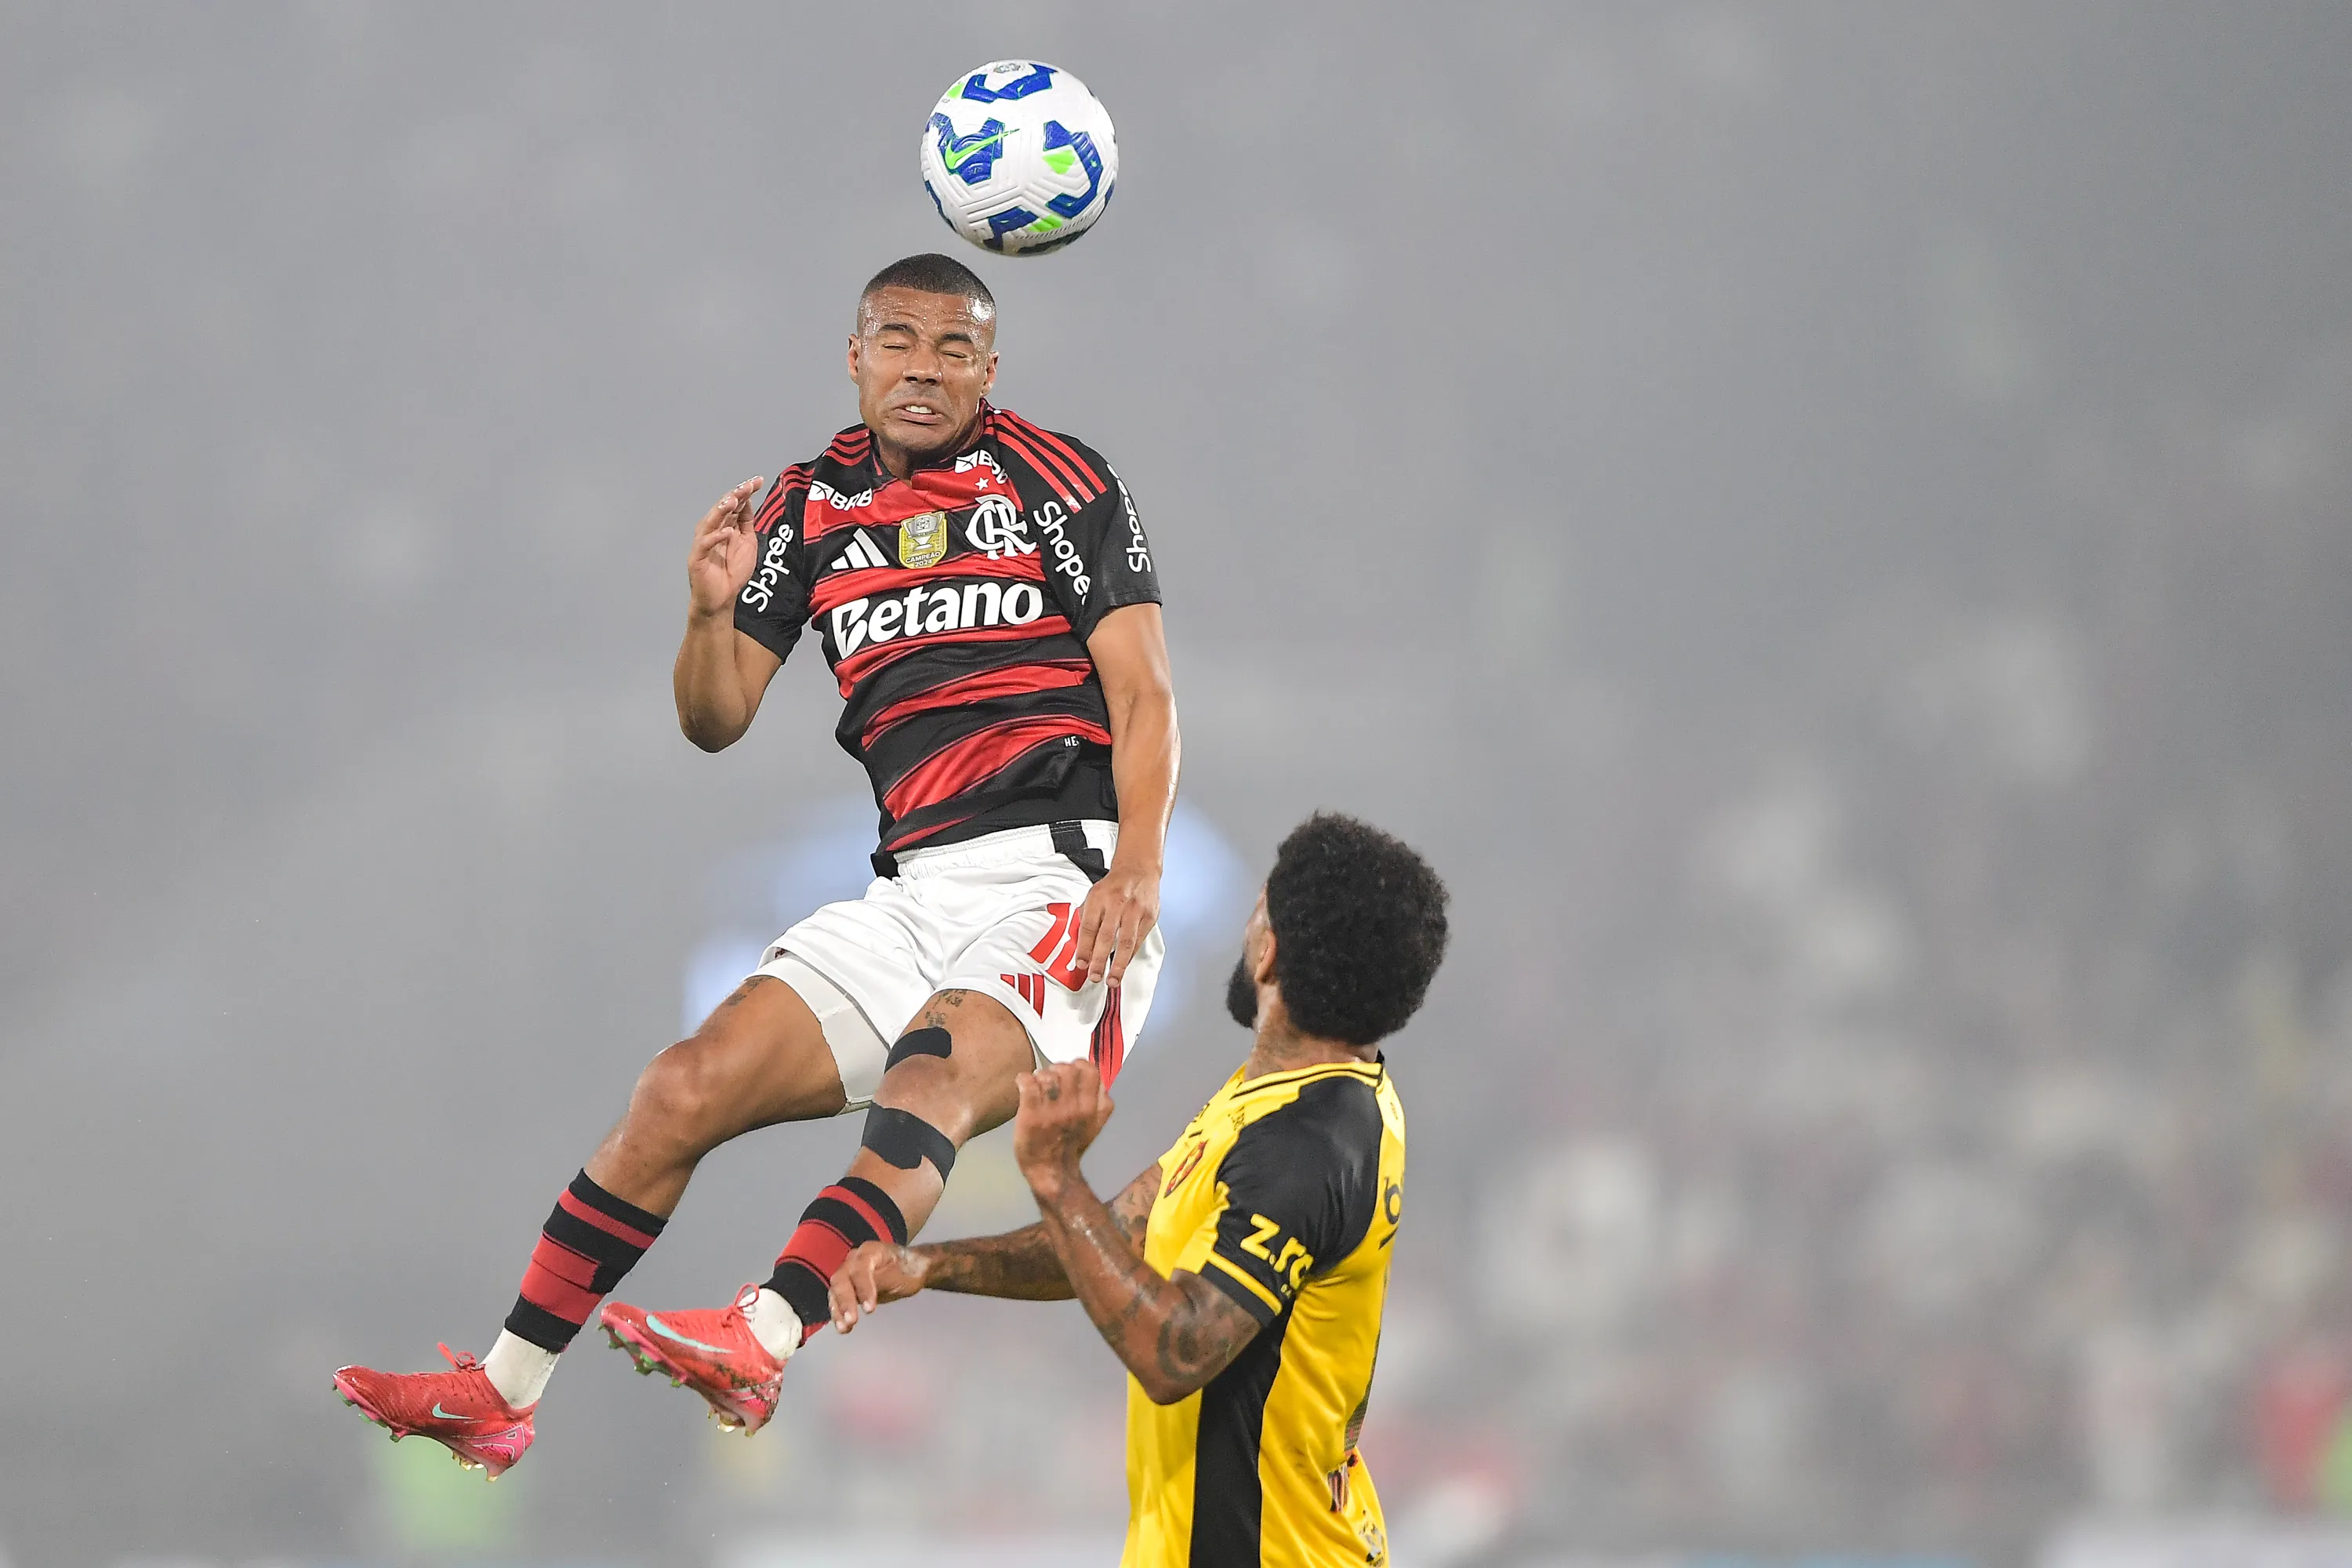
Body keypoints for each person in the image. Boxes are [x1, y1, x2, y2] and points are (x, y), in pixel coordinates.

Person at [332, 252, 1178, 1476]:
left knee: (935, 1065)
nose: (922, 370)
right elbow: (715, 719)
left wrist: (1140, 866)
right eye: (897, 342)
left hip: (1063, 876)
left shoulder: (1061, 478)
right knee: (682, 1085)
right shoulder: (804, 506)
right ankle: (501, 1391)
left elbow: (1146, 693)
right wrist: (706, 616)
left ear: (990, 369)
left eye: (953, 350)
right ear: (854, 356)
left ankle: (764, 1335)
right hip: (914, 887)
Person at [827, 812, 1448, 1567]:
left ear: (1271, 954)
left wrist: (1057, 1179)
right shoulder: (1288, 1103)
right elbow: (1115, 1241)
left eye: (1260, 907)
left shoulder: (1305, 1144)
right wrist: (933, 1266)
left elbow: (1176, 1353)